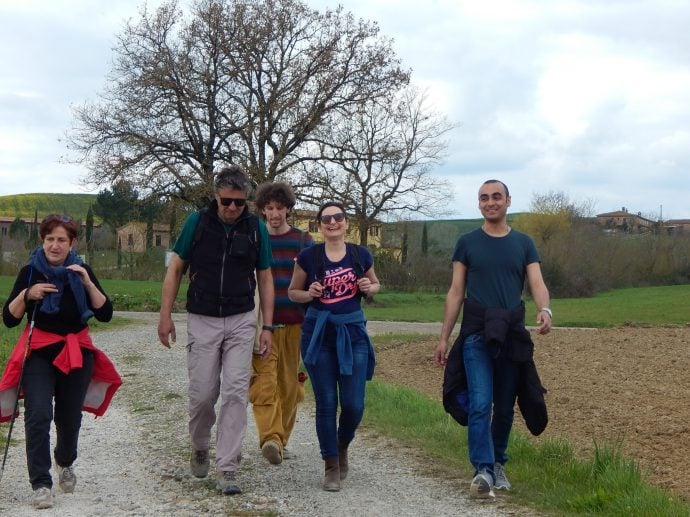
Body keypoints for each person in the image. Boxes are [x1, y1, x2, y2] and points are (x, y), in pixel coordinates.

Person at [157, 165, 274, 496]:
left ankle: (228, 467)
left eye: (240, 203)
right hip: (203, 317)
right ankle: (199, 444)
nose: (233, 208)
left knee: (236, 392)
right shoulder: (197, 223)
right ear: (216, 197)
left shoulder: (255, 229)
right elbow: (176, 267)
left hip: (241, 318)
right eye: (227, 202)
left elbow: (265, 277)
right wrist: (165, 316)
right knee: (204, 394)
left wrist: (268, 325)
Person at [434, 180, 552, 499]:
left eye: (496, 196)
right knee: (480, 402)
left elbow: (537, 282)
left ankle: (498, 462)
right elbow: (456, 292)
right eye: (484, 198)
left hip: (511, 335)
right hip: (476, 334)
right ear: (479, 204)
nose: (490, 202)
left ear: (508, 201)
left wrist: (545, 309)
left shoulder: (524, 243)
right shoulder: (467, 243)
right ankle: (482, 470)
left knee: (504, 407)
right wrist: (444, 337)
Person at [0, 214, 121, 510]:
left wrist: (87, 282)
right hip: (39, 352)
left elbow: (105, 313)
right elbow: (9, 318)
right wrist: (28, 294)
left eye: (61, 240)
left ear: (72, 243)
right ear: (42, 241)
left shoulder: (82, 269)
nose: (55, 245)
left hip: (75, 353)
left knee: (69, 419)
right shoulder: (30, 271)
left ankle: (64, 461)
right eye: (50, 239)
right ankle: (41, 484)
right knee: (38, 415)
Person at [288, 201, 380, 492]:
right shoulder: (309, 256)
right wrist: (309, 292)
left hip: (353, 334)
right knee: (327, 403)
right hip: (318, 334)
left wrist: (369, 287)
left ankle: (341, 445)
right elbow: (293, 293)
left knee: (353, 404)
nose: (332, 222)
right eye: (326, 219)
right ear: (319, 225)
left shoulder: (360, 254)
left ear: (346, 222)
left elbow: (376, 284)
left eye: (338, 217)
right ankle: (330, 465)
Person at [249, 182, 314, 465]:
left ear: (288, 209)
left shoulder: (304, 241)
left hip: (296, 324)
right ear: (262, 210)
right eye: (269, 208)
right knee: (264, 384)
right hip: (262, 326)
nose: (275, 214)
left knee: (289, 388)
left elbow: (315, 281)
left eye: (280, 208)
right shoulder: (253, 237)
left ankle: (281, 440)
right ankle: (270, 438)